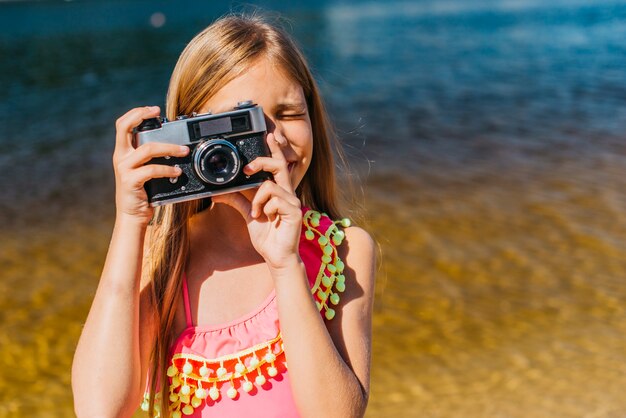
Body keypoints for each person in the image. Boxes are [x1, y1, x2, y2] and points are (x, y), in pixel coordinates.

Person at [72, 13, 376, 418]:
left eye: (289, 114)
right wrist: (130, 220)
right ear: (191, 138)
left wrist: (286, 264)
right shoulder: (161, 258)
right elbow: (99, 410)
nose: (274, 140)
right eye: (243, 126)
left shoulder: (345, 252)